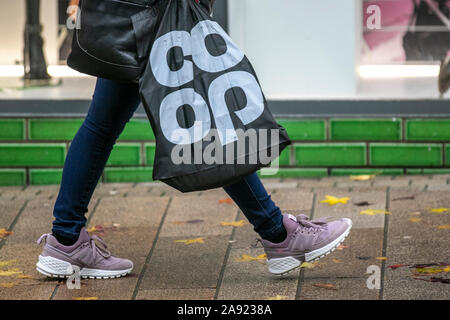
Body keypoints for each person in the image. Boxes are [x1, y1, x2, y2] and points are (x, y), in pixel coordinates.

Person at [36, 0, 352, 279]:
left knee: (104, 126)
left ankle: (65, 238)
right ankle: (278, 234)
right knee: (207, 117)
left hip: (134, 14)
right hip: (155, 15)